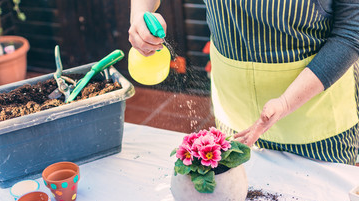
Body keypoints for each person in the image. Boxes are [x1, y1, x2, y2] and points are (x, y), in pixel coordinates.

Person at [128, 0, 359, 165]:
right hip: (234, 115)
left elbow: (352, 31)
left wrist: (286, 103)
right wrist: (140, 13)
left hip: (317, 124)